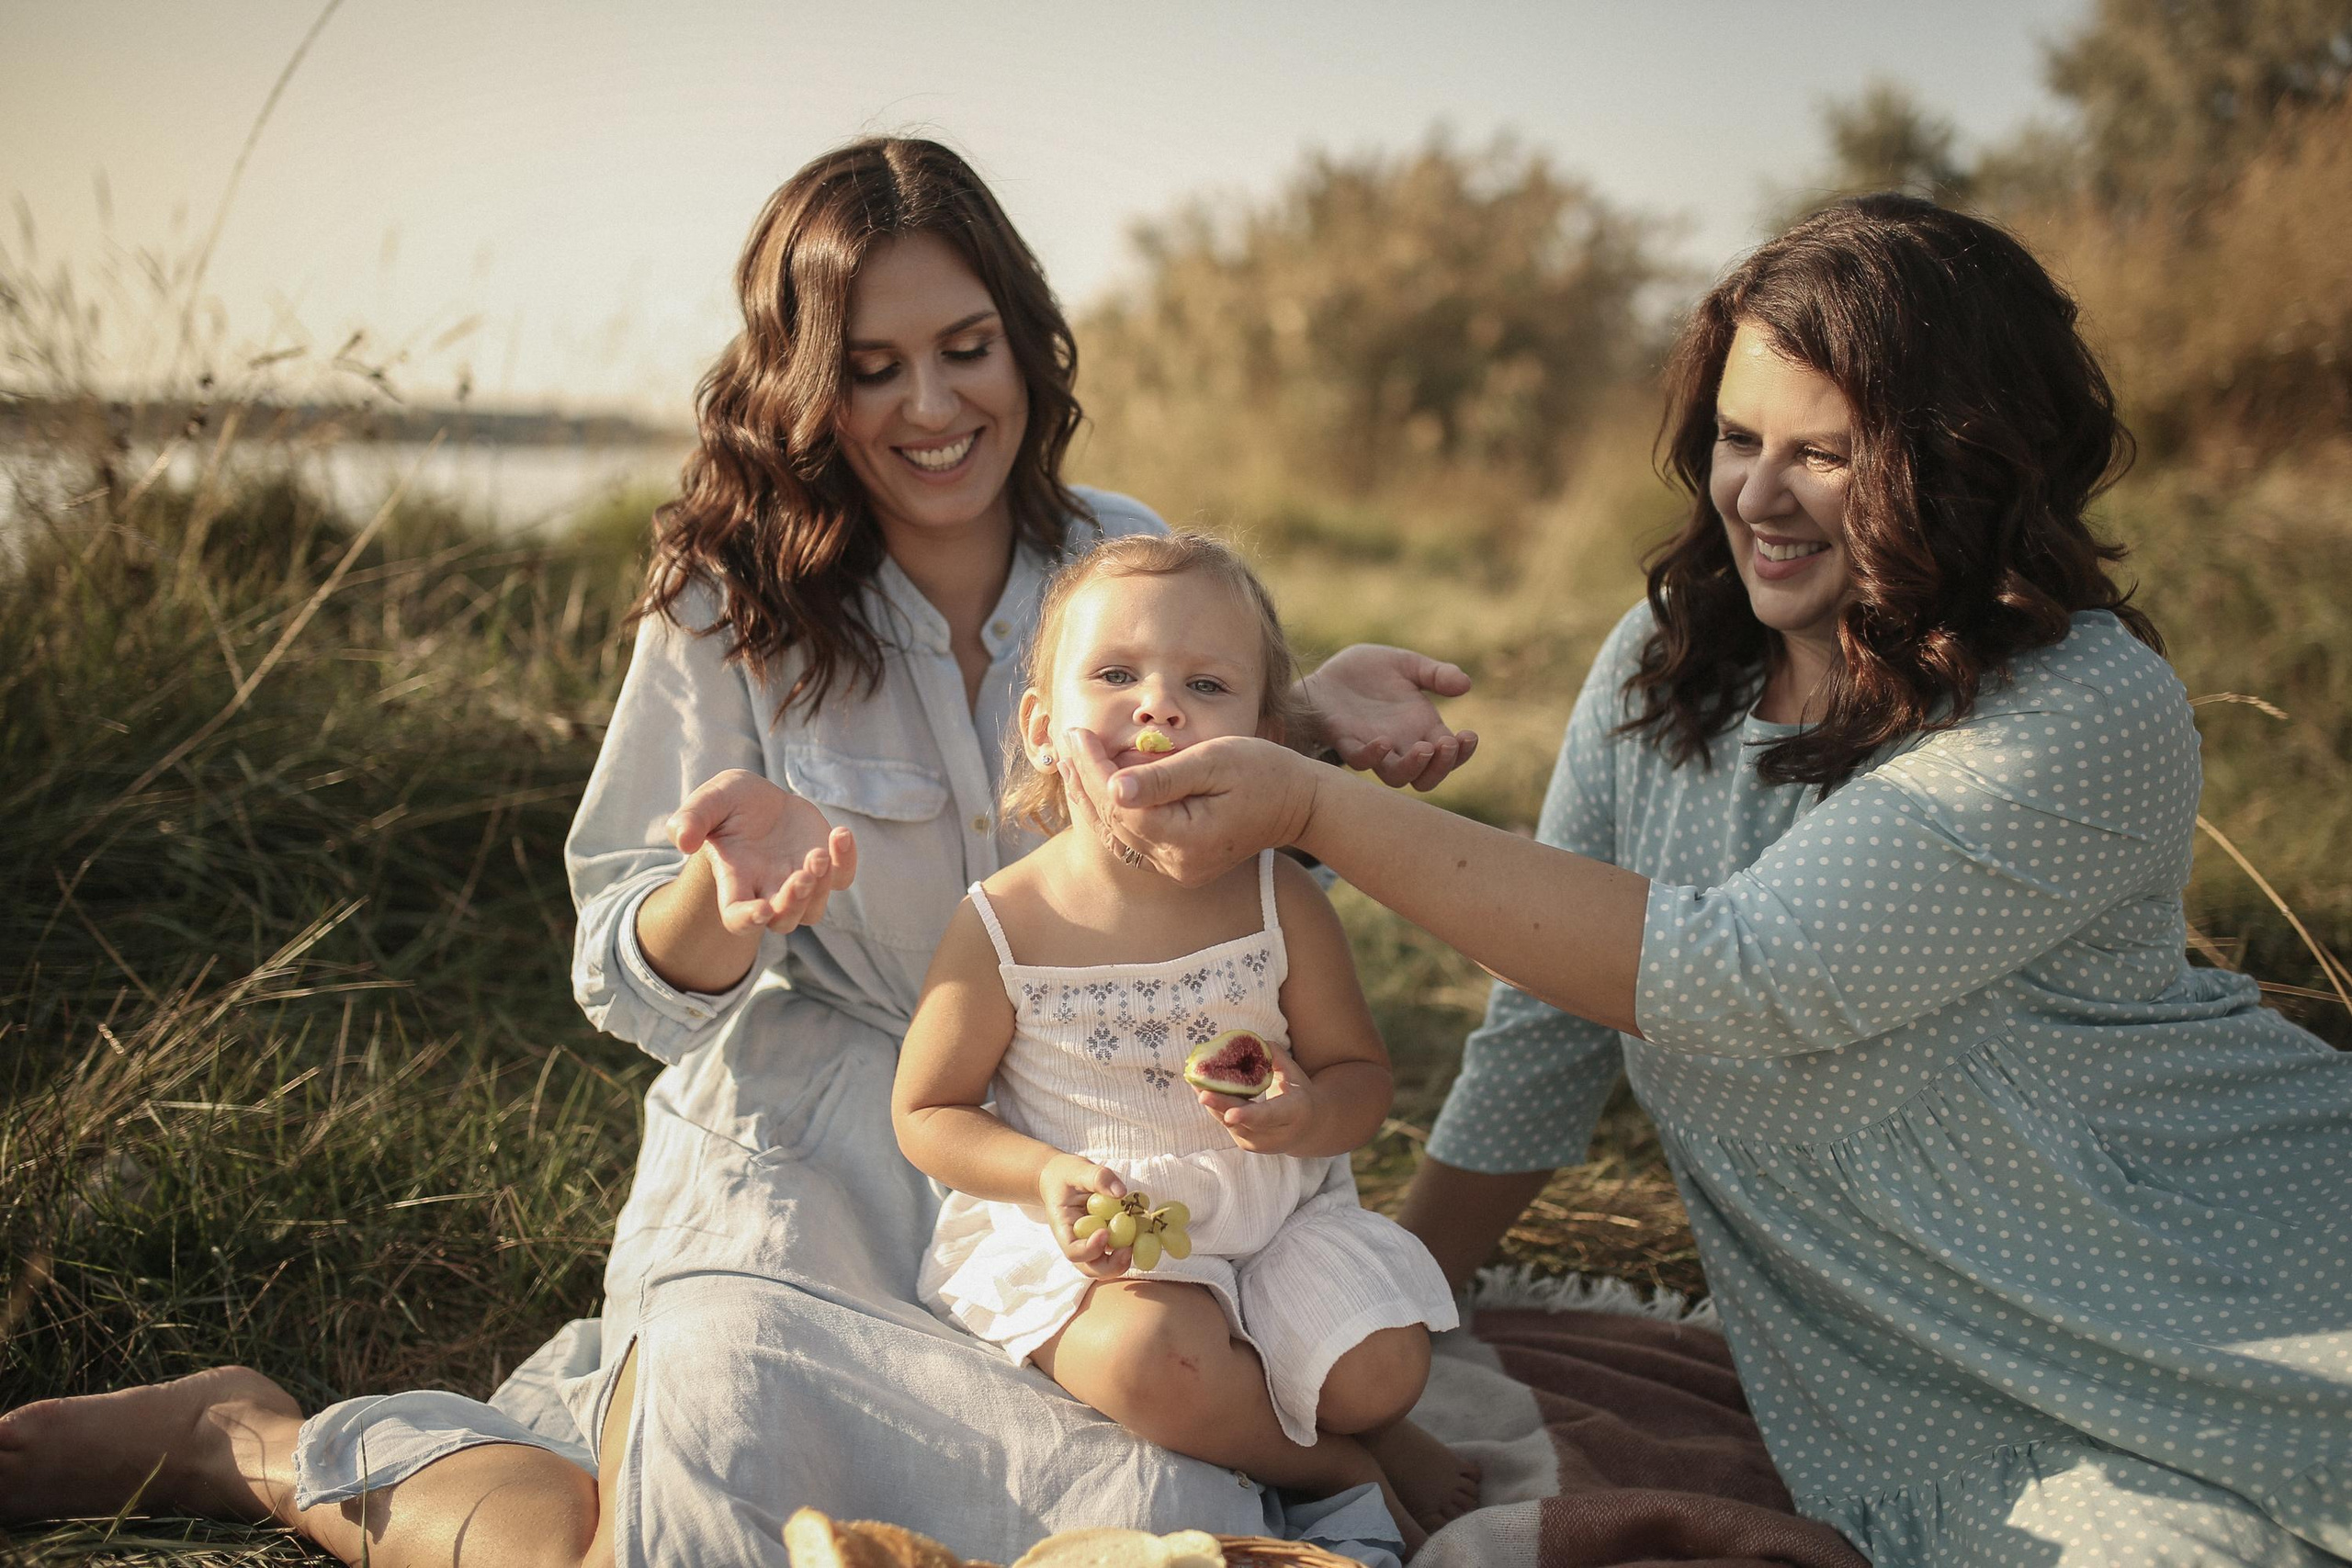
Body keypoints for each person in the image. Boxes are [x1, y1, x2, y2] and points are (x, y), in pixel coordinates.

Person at [0, 138, 1478, 1567]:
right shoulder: (729, 600)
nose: (931, 407)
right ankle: (246, 1440)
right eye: (870, 367)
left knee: (1139, 1524)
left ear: (1027, 344)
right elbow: (618, 969)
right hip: (811, 1138)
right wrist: (725, 895)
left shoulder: (1125, 551)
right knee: (684, 1538)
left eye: (966, 346)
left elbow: (1202, 853)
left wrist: (1304, 730)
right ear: (802, 386)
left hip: (1073, 1147)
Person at [1058, 194, 2352, 1567]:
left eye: (1827, 455)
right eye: (1738, 438)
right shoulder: (1665, 660)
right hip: (1890, 1381)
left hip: (2210, 1293)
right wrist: (1394, 1326)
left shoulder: (2084, 704)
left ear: (1957, 465)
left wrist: (1319, 802)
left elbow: (1748, 971)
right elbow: (1550, 1027)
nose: (1758, 495)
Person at [894, 533, 1477, 1555]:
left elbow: (1362, 1079)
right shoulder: (1004, 923)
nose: (1158, 705)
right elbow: (927, 1111)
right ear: (1040, 727)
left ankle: (1359, 1418)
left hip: (1273, 1216)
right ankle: (1330, 1465)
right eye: (1116, 674)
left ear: (1263, 738)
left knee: (1383, 1366)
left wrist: (1308, 1113)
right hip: (1113, 1245)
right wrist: (1042, 1176)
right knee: (1143, 1363)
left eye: (1203, 684)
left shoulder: (1277, 897)